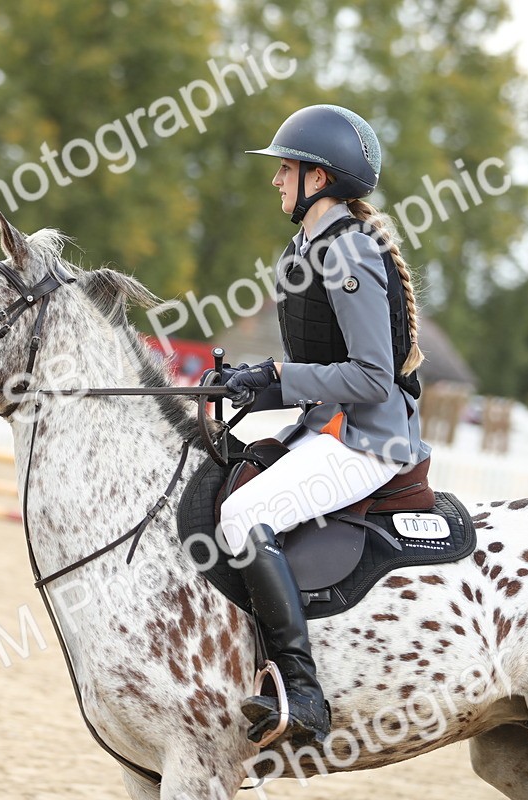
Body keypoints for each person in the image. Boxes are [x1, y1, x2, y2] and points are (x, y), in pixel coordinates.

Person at [216, 105, 431, 744]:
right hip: (327, 427)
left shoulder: (350, 252)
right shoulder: (307, 247)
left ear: (320, 177)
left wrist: (278, 378)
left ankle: (302, 692)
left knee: (241, 518)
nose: (276, 181)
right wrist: (250, 387)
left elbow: (371, 377)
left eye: (285, 169)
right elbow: (320, 364)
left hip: (370, 440)